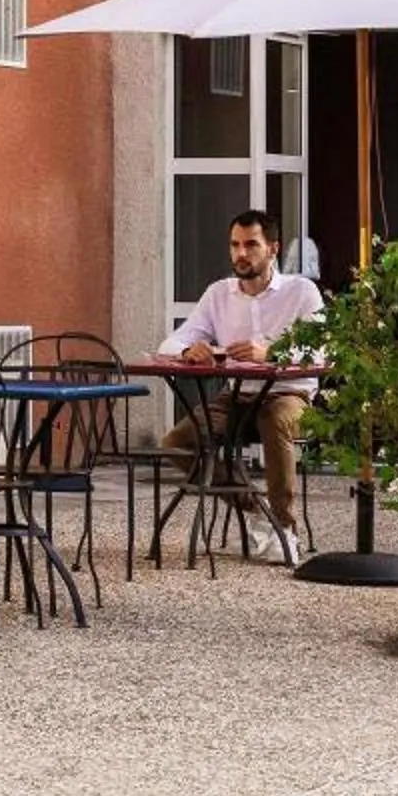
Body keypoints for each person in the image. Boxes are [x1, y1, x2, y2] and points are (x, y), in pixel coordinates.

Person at [162, 207, 322, 564]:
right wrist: (190, 349)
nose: (241, 253)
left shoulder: (302, 291)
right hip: (236, 397)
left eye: (251, 245)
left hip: (289, 394)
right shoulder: (218, 293)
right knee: (177, 442)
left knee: (275, 419)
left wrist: (272, 353)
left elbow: (322, 348)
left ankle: (285, 529)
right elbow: (168, 344)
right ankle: (254, 507)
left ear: (273, 249)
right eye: (235, 245)